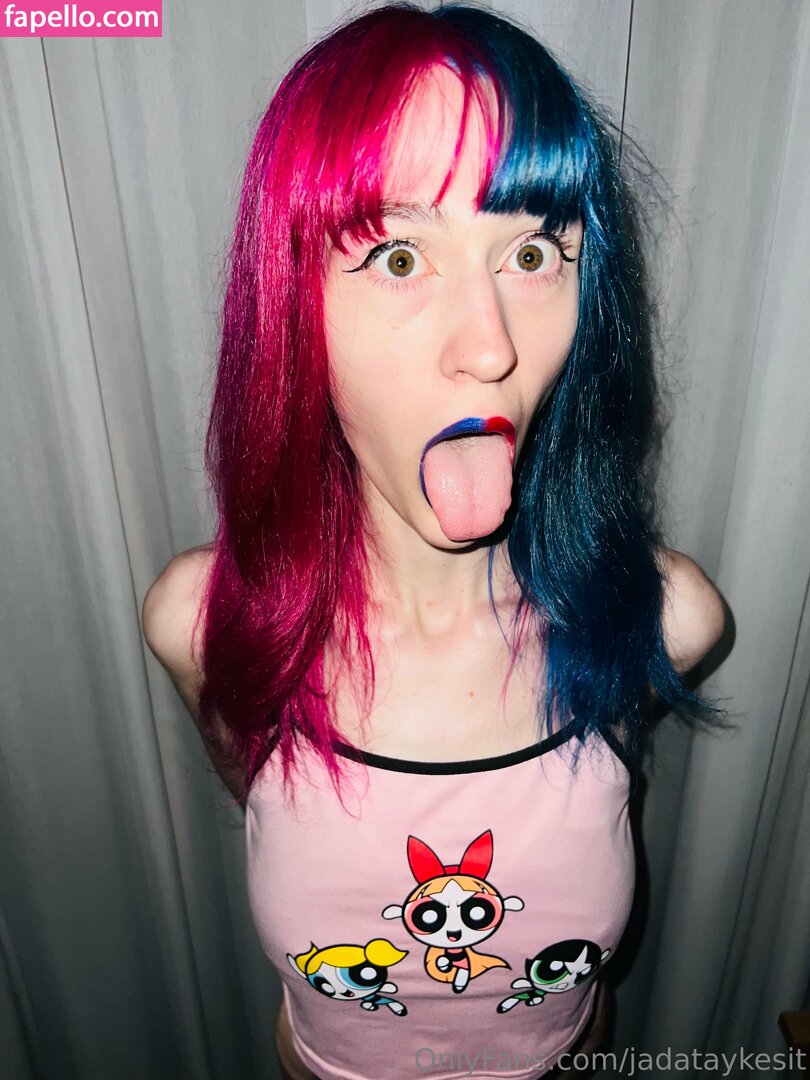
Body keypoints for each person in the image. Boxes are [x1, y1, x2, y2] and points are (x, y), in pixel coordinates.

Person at [142, 5, 726, 1078]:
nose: (490, 347)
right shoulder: (206, 622)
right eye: (401, 256)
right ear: (291, 305)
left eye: (533, 252)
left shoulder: (660, 617)